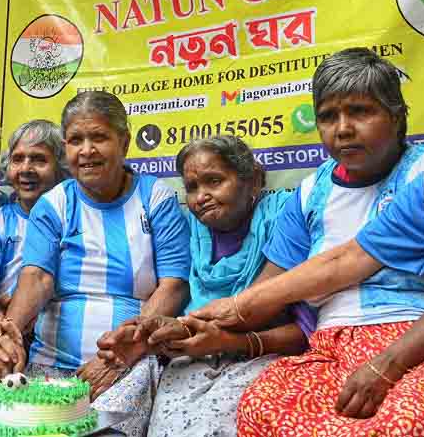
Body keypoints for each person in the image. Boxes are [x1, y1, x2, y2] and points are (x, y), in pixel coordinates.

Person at [225, 28, 424, 436]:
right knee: (260, 406)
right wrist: (215, 317)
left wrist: (389, 361)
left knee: (403, 424)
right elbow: (348, 259)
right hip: (342, 349)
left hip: (421, 343)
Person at [0, 91, 191, 437]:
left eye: (99, 137)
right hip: (51, 365)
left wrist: (129, 346)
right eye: (76, 140)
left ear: (125, 142)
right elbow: (36, 277)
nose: (86, 150)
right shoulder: (54, 204)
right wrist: (10, 327)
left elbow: (174, 285)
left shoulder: (156, 197)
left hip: (129, 360)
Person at [94, 135, 307, 437]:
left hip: (260, 354)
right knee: (111, 410)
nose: (201, 196)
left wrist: (221, 339)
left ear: (255, 182)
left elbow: (302, 329)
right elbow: (178, 311)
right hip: (192, 352)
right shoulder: (189, 230)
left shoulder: (285, 219)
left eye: (214, 181)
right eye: (192, 187)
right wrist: (146, 334)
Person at [0, 119, 69, 315]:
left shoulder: (73, 218)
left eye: (39, 159)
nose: (26, 169)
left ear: (61, 167)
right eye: (18, 159)